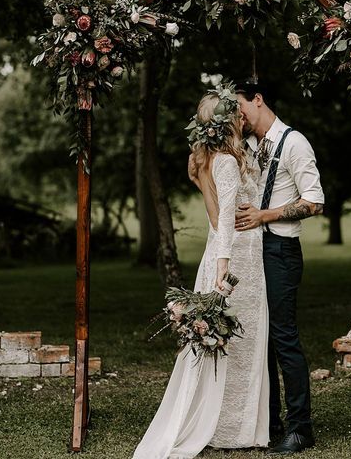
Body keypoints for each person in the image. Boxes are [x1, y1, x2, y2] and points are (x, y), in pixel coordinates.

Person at [132, 81, 269, 459]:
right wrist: (223, 268)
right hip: (235, 257)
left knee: (237, 343)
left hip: (230, 254)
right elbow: (225, 218)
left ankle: (239, 424)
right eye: (235, 113)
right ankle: (230, 429)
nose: (242, 116)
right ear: (226, 121)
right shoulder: (225, 162)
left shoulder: (206, 159)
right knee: (237, 343)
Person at [235, 80, 324, 456]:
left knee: (284, 338)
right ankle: (269, 422)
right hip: (256, 250)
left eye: (241, 107)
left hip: (282, 251)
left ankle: (301, 428)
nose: (238, 115)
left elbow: (314, 201)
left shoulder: (295, 143)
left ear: (258, 99)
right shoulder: (251, 146)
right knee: (262, 339)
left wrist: (264, 216)